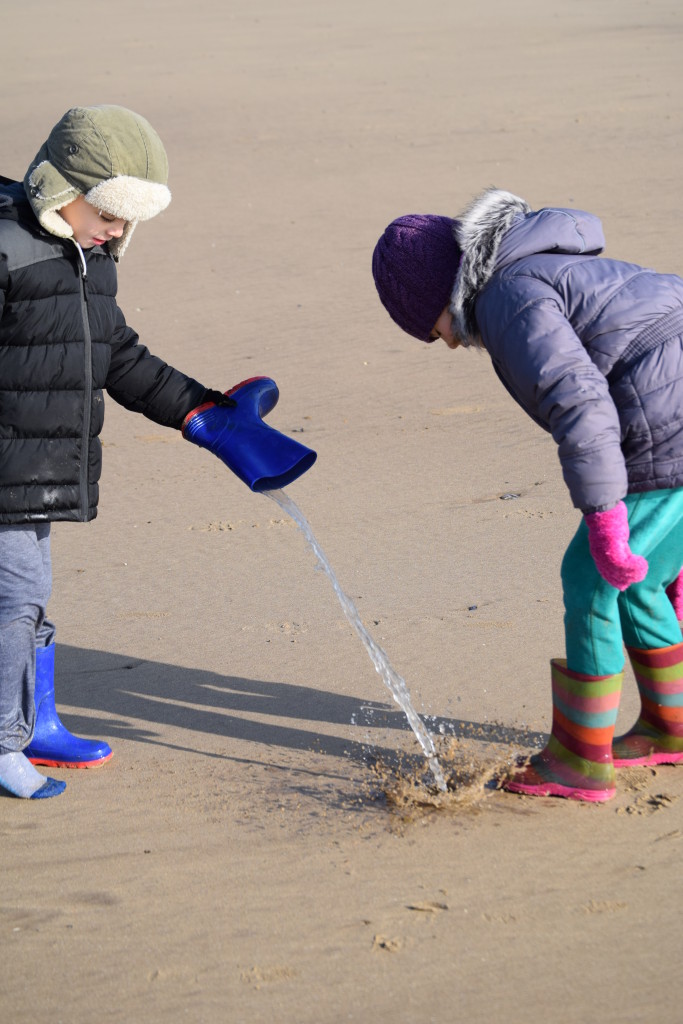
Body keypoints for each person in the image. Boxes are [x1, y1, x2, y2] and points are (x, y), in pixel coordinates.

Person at [371, 187, 683, 803]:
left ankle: (578, 760)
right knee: (646, 580)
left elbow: (579, 399)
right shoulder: (540, 267)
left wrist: (604, 513)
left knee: (592, 576)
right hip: (671, 397)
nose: (446, 343)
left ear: (439, 294)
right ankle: (669, 726)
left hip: (667, 415)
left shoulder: (509, 298)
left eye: (429, 328)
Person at [0, 104, 241, 800]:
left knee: (28, 596)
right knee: (14, 597)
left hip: (35, 470)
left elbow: (117, 355)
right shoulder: (7, 250)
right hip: (7, 463)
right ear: (58, 189)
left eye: (129, 219)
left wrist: (197, 408)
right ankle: (5, 740)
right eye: (107, 210)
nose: (117, 229)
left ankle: (34, 718)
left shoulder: (90, 261)